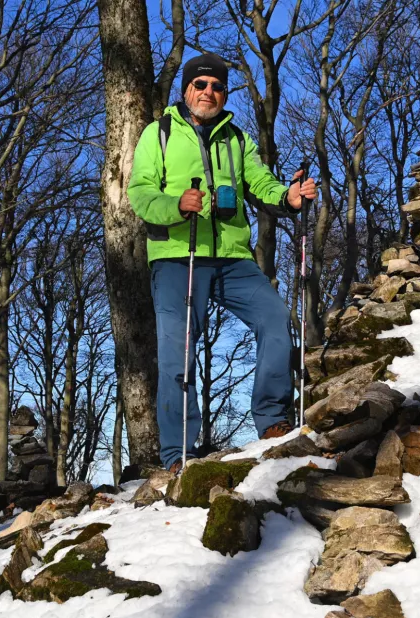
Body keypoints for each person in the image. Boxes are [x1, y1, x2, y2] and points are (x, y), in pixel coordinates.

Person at [128, 53, 318, 473]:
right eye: (201, 85)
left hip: (233, 257)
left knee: (275, 319)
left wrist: (287, 197)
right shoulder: (158, 134)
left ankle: (273, 421)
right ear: (186, 90)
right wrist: (176, 204)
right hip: (178, 255)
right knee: (178, 348)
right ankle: (179, 451)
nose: (208, 93)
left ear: (224, 93)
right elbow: (139, 193)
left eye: (216, 86)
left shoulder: (237, 139)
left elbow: (259, 181)